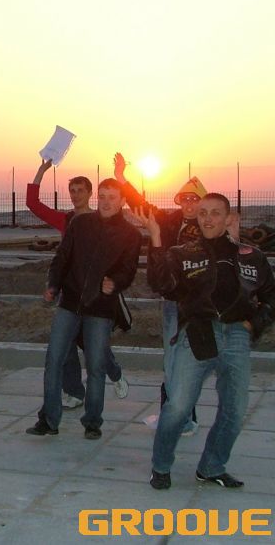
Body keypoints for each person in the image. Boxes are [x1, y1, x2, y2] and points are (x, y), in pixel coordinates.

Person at [138, 193, 275, 490]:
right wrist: (155, 238)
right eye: (203, 212)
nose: (207, 218)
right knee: (178, 406)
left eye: (215, 213)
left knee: (235, 410)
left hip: (237, 337)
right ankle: (161, 466)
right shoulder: (184, 253)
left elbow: (273, 295)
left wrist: (254, 323)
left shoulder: (251, 255)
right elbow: (161, 284)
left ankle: (212, 467)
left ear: (228, 218)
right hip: (198, 334)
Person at [27, 179, 142, 440]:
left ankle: (92, 422)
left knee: (96, 366)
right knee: (53, 360)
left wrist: (116, 282)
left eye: (112, 197)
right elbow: (62, 258)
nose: (106, 202)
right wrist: (53, 285)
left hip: (100, 309)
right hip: (69, 303)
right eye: (103, 196)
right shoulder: (80, 224)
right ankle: (49, 419)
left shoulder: (131, 235)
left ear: (122, 201)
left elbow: (129, 270)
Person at [114, 152, 207, 435]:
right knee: (172, 361)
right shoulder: (169, 221)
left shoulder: (209, 229)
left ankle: (182, 419)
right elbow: (142, 206)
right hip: (170, 302)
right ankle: (176, 414)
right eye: (185, 199)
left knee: (185, 362)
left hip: (195, 306)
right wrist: (121, 178)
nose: (189, 204)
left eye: (194, 199)